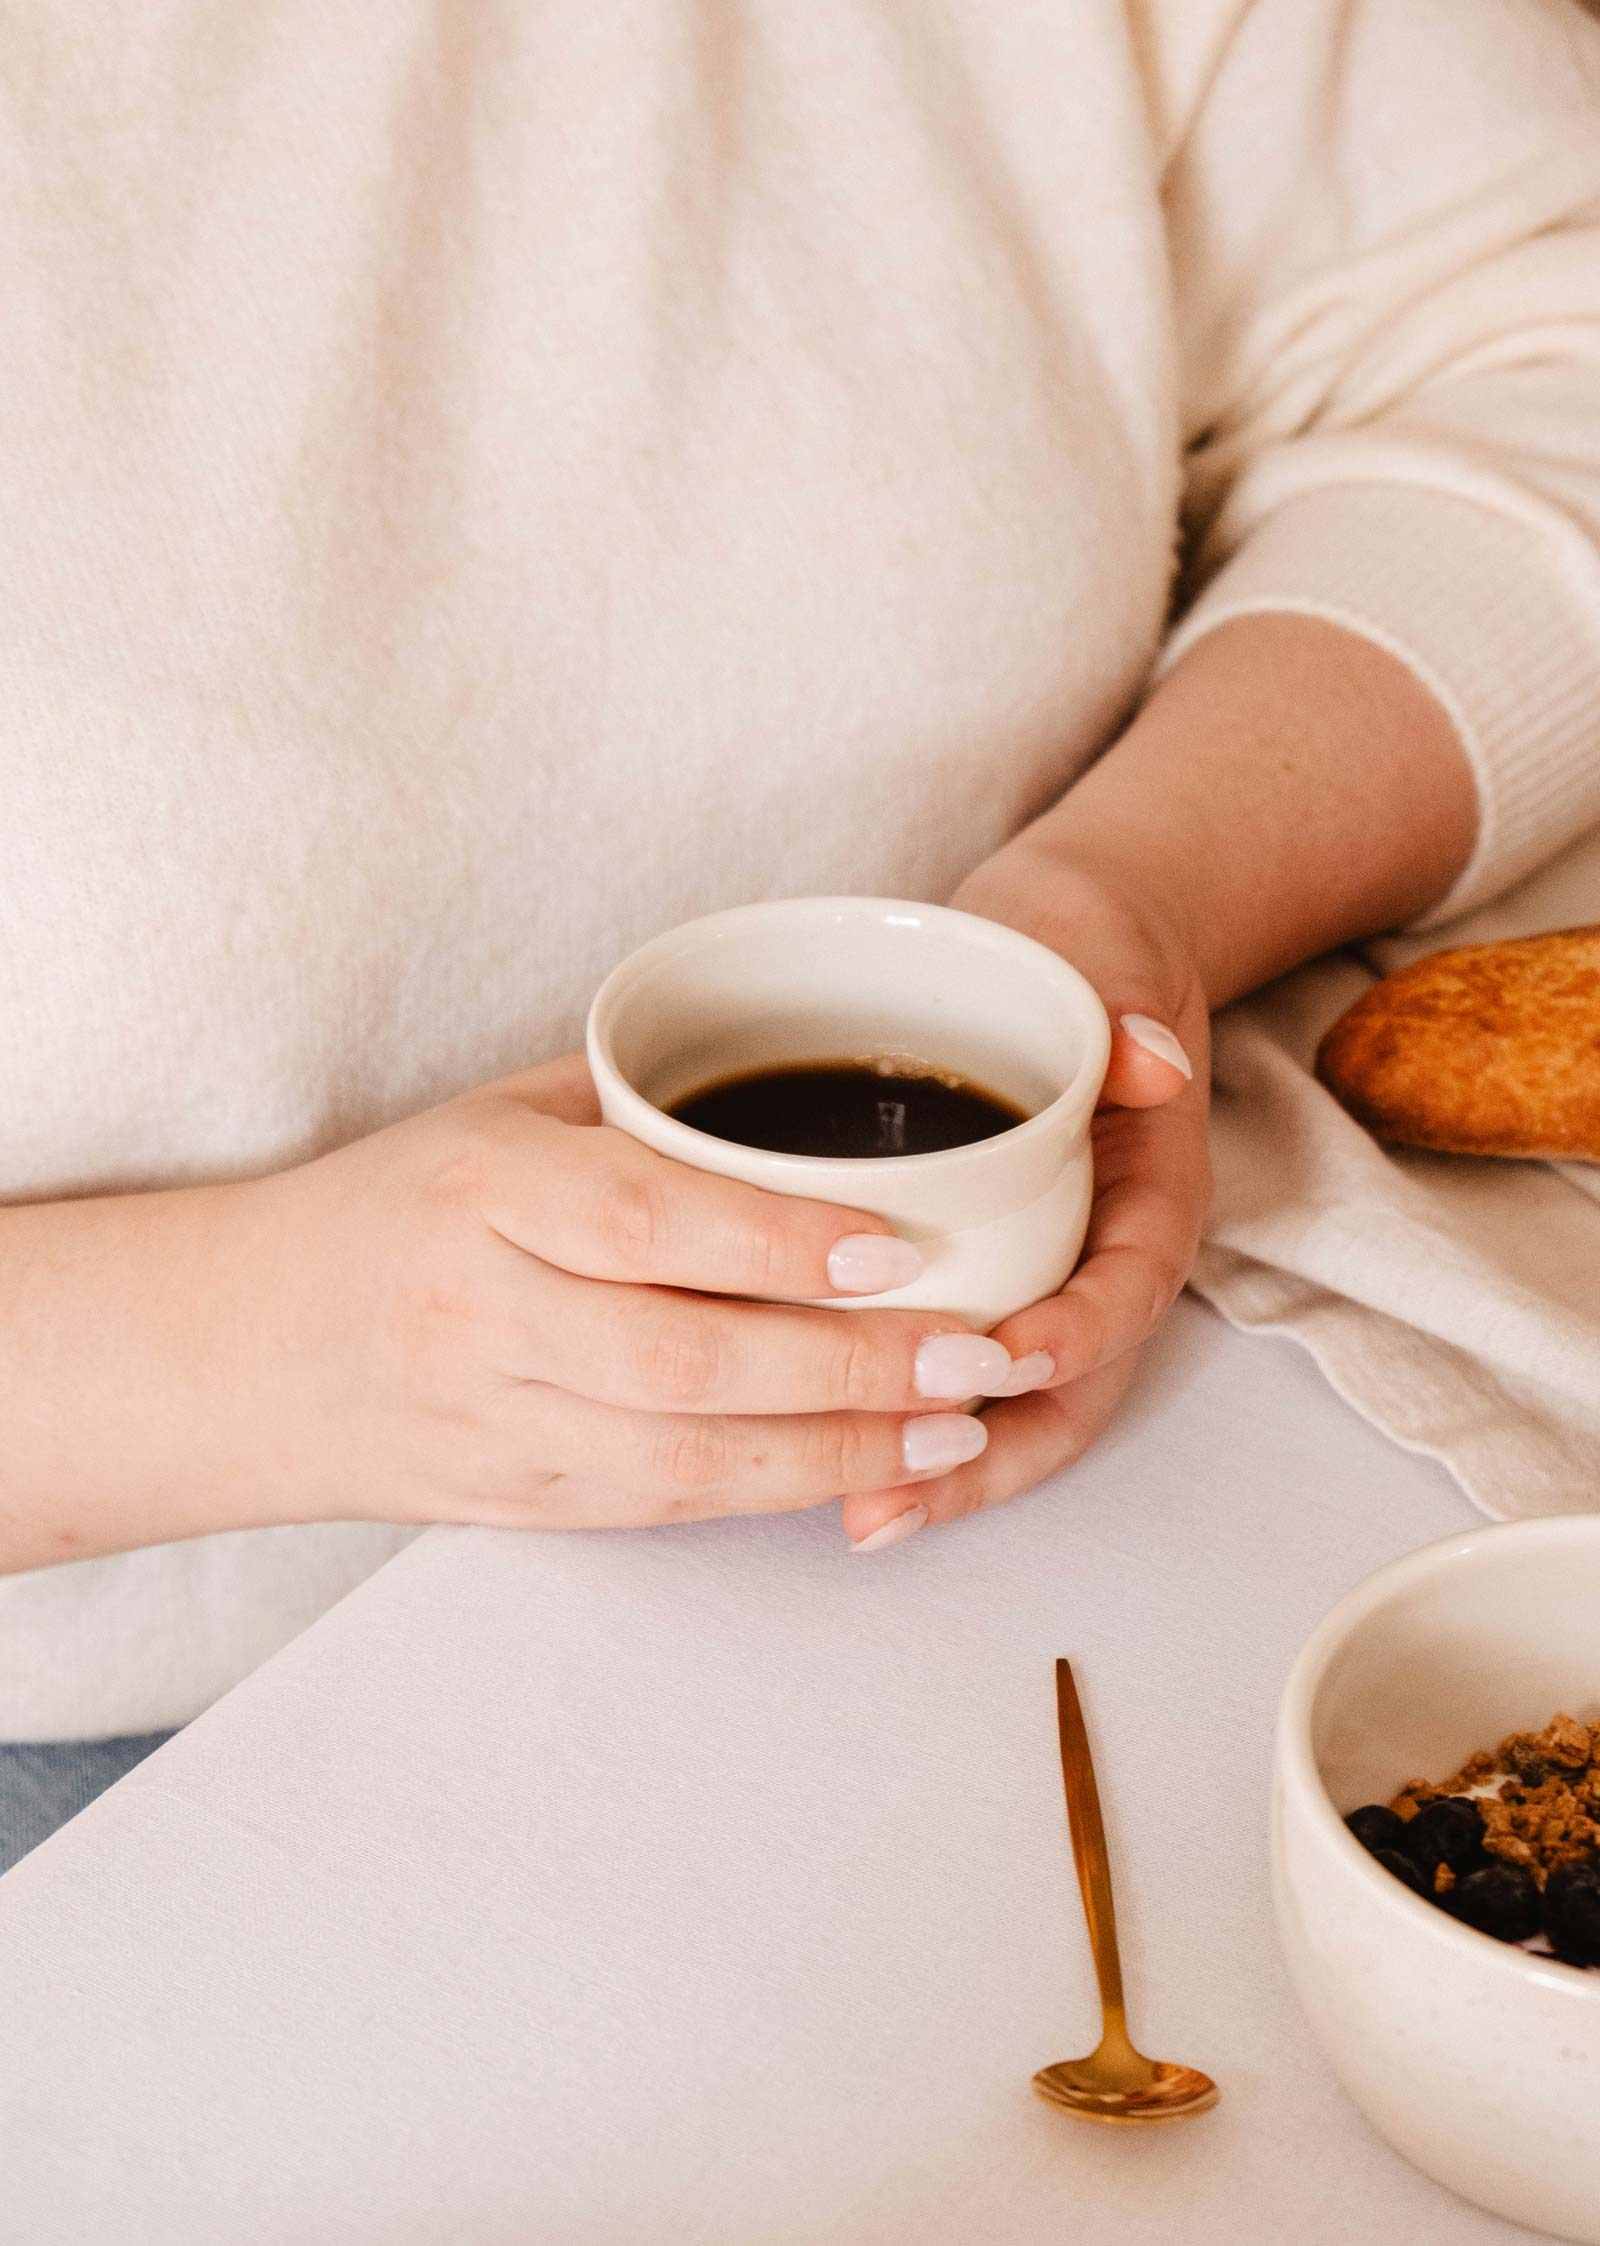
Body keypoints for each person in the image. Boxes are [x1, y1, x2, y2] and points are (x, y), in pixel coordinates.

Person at [3, 0, 1598, 1867]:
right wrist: (258, 1347)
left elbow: (1521, 344)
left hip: (1106, 1475)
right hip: (129, 1729)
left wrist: (1141, 892)